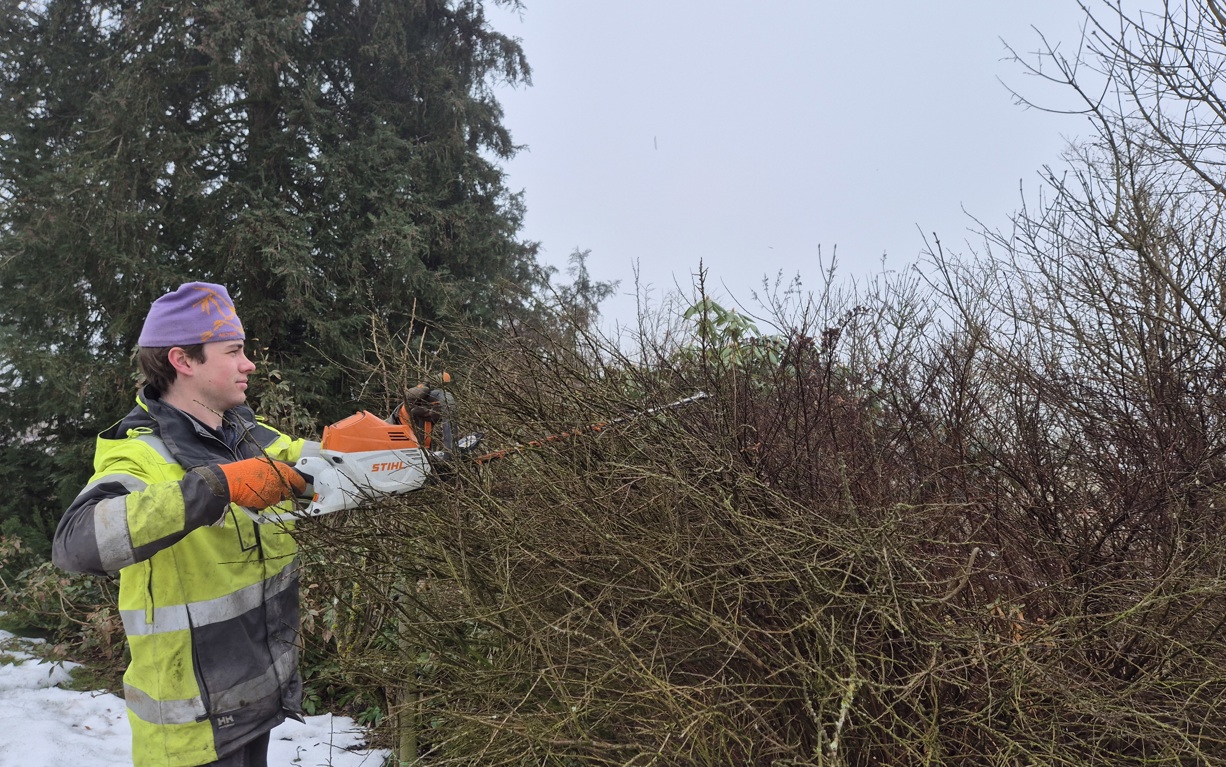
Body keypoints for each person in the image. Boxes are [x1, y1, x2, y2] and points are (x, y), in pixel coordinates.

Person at [53, 282, 320, 767]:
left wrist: (396, 439)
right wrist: (216, 487)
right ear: (183, 360)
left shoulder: (250, 437)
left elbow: (330, 467)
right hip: (187, 736)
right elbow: (76, 544)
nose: (249, 364)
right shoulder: (138, 453)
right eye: (234, 351)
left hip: (255, 709)